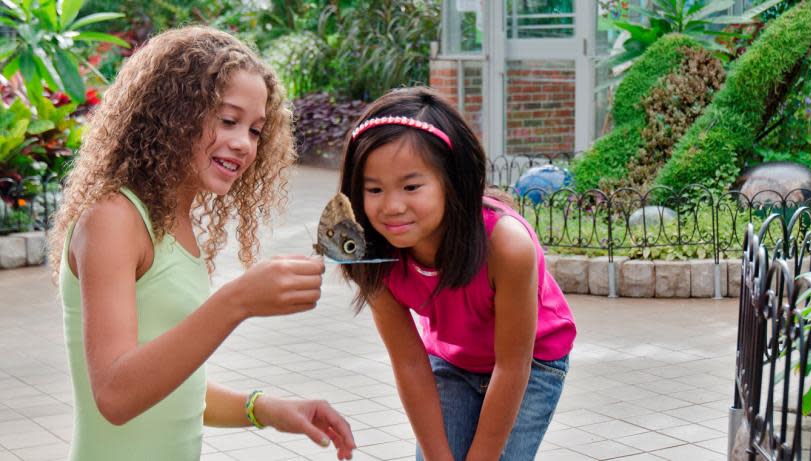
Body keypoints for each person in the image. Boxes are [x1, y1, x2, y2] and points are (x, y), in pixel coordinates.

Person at [48, 26, 355, 461]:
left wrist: (265, 408)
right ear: (173, 113)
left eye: (255, 130)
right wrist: (238, 301)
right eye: (228, 120)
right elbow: (117, 395)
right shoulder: (113, 219)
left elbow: (170, 385)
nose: (244, 144)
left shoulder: (173, 221)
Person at [338, 87, 577, 460]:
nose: (392, 206)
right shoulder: (370, 254)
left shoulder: (506, 246)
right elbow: (409, 362)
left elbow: (512, 366)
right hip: (454, 359)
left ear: (453, 181)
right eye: (374, 189)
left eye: (411, 186)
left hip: (533, 361)